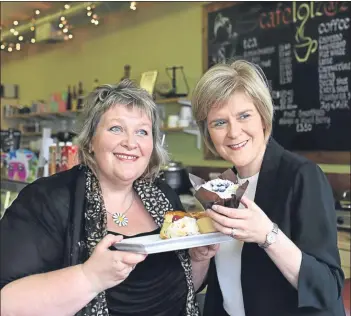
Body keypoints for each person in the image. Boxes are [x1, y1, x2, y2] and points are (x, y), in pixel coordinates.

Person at [0, 80, 203, 316]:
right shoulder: (47, 200)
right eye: (116, 128)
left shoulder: (164, 197)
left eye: (142, 131)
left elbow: (184, 288)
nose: (130, 142)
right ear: (90, 140)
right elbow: (7, 303)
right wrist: (89, 278)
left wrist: (198, 259)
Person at [188, 60, 345, 316]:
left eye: (244, 116)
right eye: (219, 123)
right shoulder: (223, 188)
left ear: (263, 116)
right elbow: (214, 285)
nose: (233, 132)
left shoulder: (301, 176)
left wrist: (267, 235)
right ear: (208, 132)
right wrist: (200, 257)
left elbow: (327, 287)